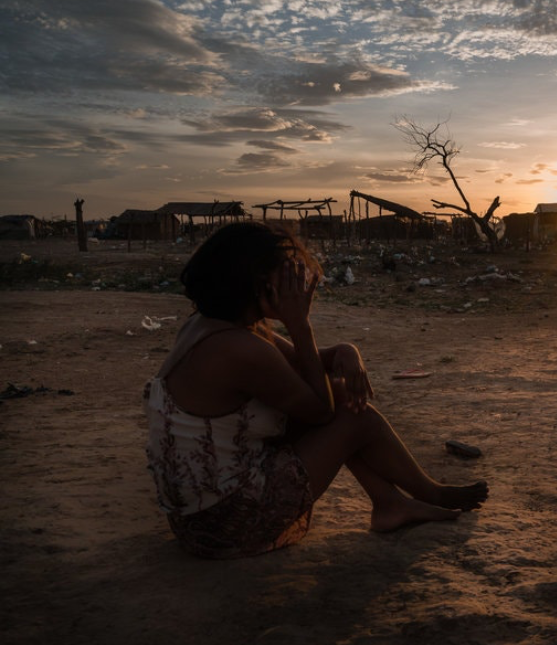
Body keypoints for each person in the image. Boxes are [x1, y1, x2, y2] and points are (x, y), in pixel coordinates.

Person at [145, 222, 488, 559]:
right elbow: (320, 410)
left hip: (198, 517)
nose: (300, 284)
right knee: (351, 418)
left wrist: (346, 351)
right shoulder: (237, 347)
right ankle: (429, 494)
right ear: (259, 281)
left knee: (341, 396)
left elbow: (305, 363)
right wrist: (299, 324)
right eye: (289, 276)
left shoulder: (211, 325)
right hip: (226, 524)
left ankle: (390, 502)